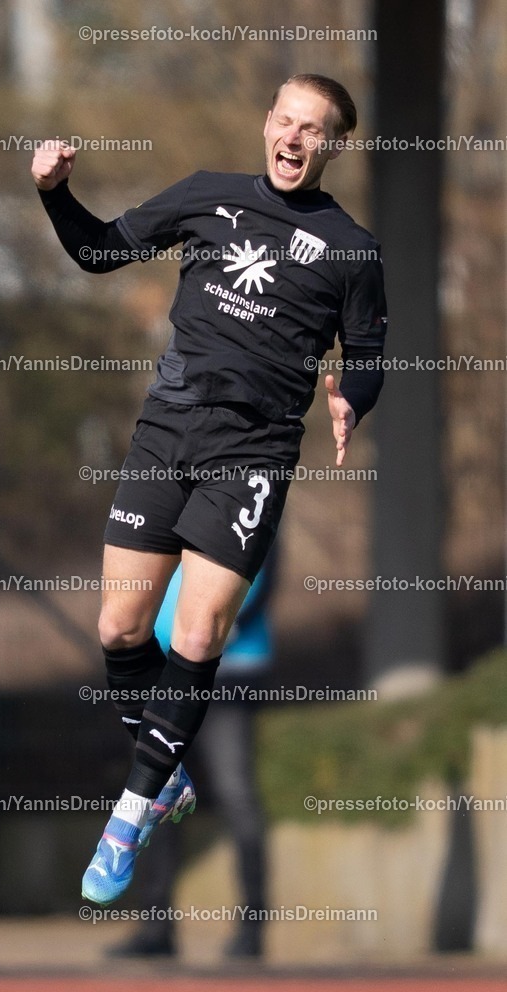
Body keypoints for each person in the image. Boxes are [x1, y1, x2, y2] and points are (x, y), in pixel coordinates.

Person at [31, 73, 387, 907]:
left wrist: (350, 396)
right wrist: (55, 193)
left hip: (254, 453)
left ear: (334, 146)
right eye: (286, 121)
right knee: (119, 624)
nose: (294, 139)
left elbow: (367, 353)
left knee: (196, 632)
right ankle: (168, 776)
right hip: (166, 431)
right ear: (267, 123)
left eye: (314, 131)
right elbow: (100, 251)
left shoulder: (352, 249)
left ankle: (127, 816)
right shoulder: (205, 195)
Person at [110, 552, 276, 958]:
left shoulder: (247, 496)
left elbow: (262, 579)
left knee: (236, 792)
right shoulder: (160, 506)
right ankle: (156, 928)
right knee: (157, 791)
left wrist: (213, 635)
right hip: (164, 670)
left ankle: (252, 932)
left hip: (230, 673)